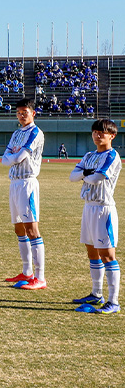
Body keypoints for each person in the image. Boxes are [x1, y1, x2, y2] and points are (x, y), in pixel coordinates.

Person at [70, 119, 121, 314]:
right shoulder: (89, 155)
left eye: (102, 132)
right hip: (88, 208)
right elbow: (72, 177)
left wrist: (84, 174)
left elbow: (97, 178)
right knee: (92, 252)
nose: (98, 135)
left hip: (104, 209)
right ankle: (96, 293)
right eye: (95, 132)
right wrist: (85, 173)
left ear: (112, 135)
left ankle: (114, 301)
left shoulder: (112, 155)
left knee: (107, 255)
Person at [1, 99, 47, 289]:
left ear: (33, 113)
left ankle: (40, 277)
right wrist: (14, 157)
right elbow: (5, 160)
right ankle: (27, 272)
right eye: (19, 112)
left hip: (27, 182)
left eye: (25, 112)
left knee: (31, 228)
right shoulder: (16, 133)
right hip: (14, 183)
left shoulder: (35, 132)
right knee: (19, 228)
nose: (21, 115)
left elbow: (19, 157)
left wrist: (13, 157)